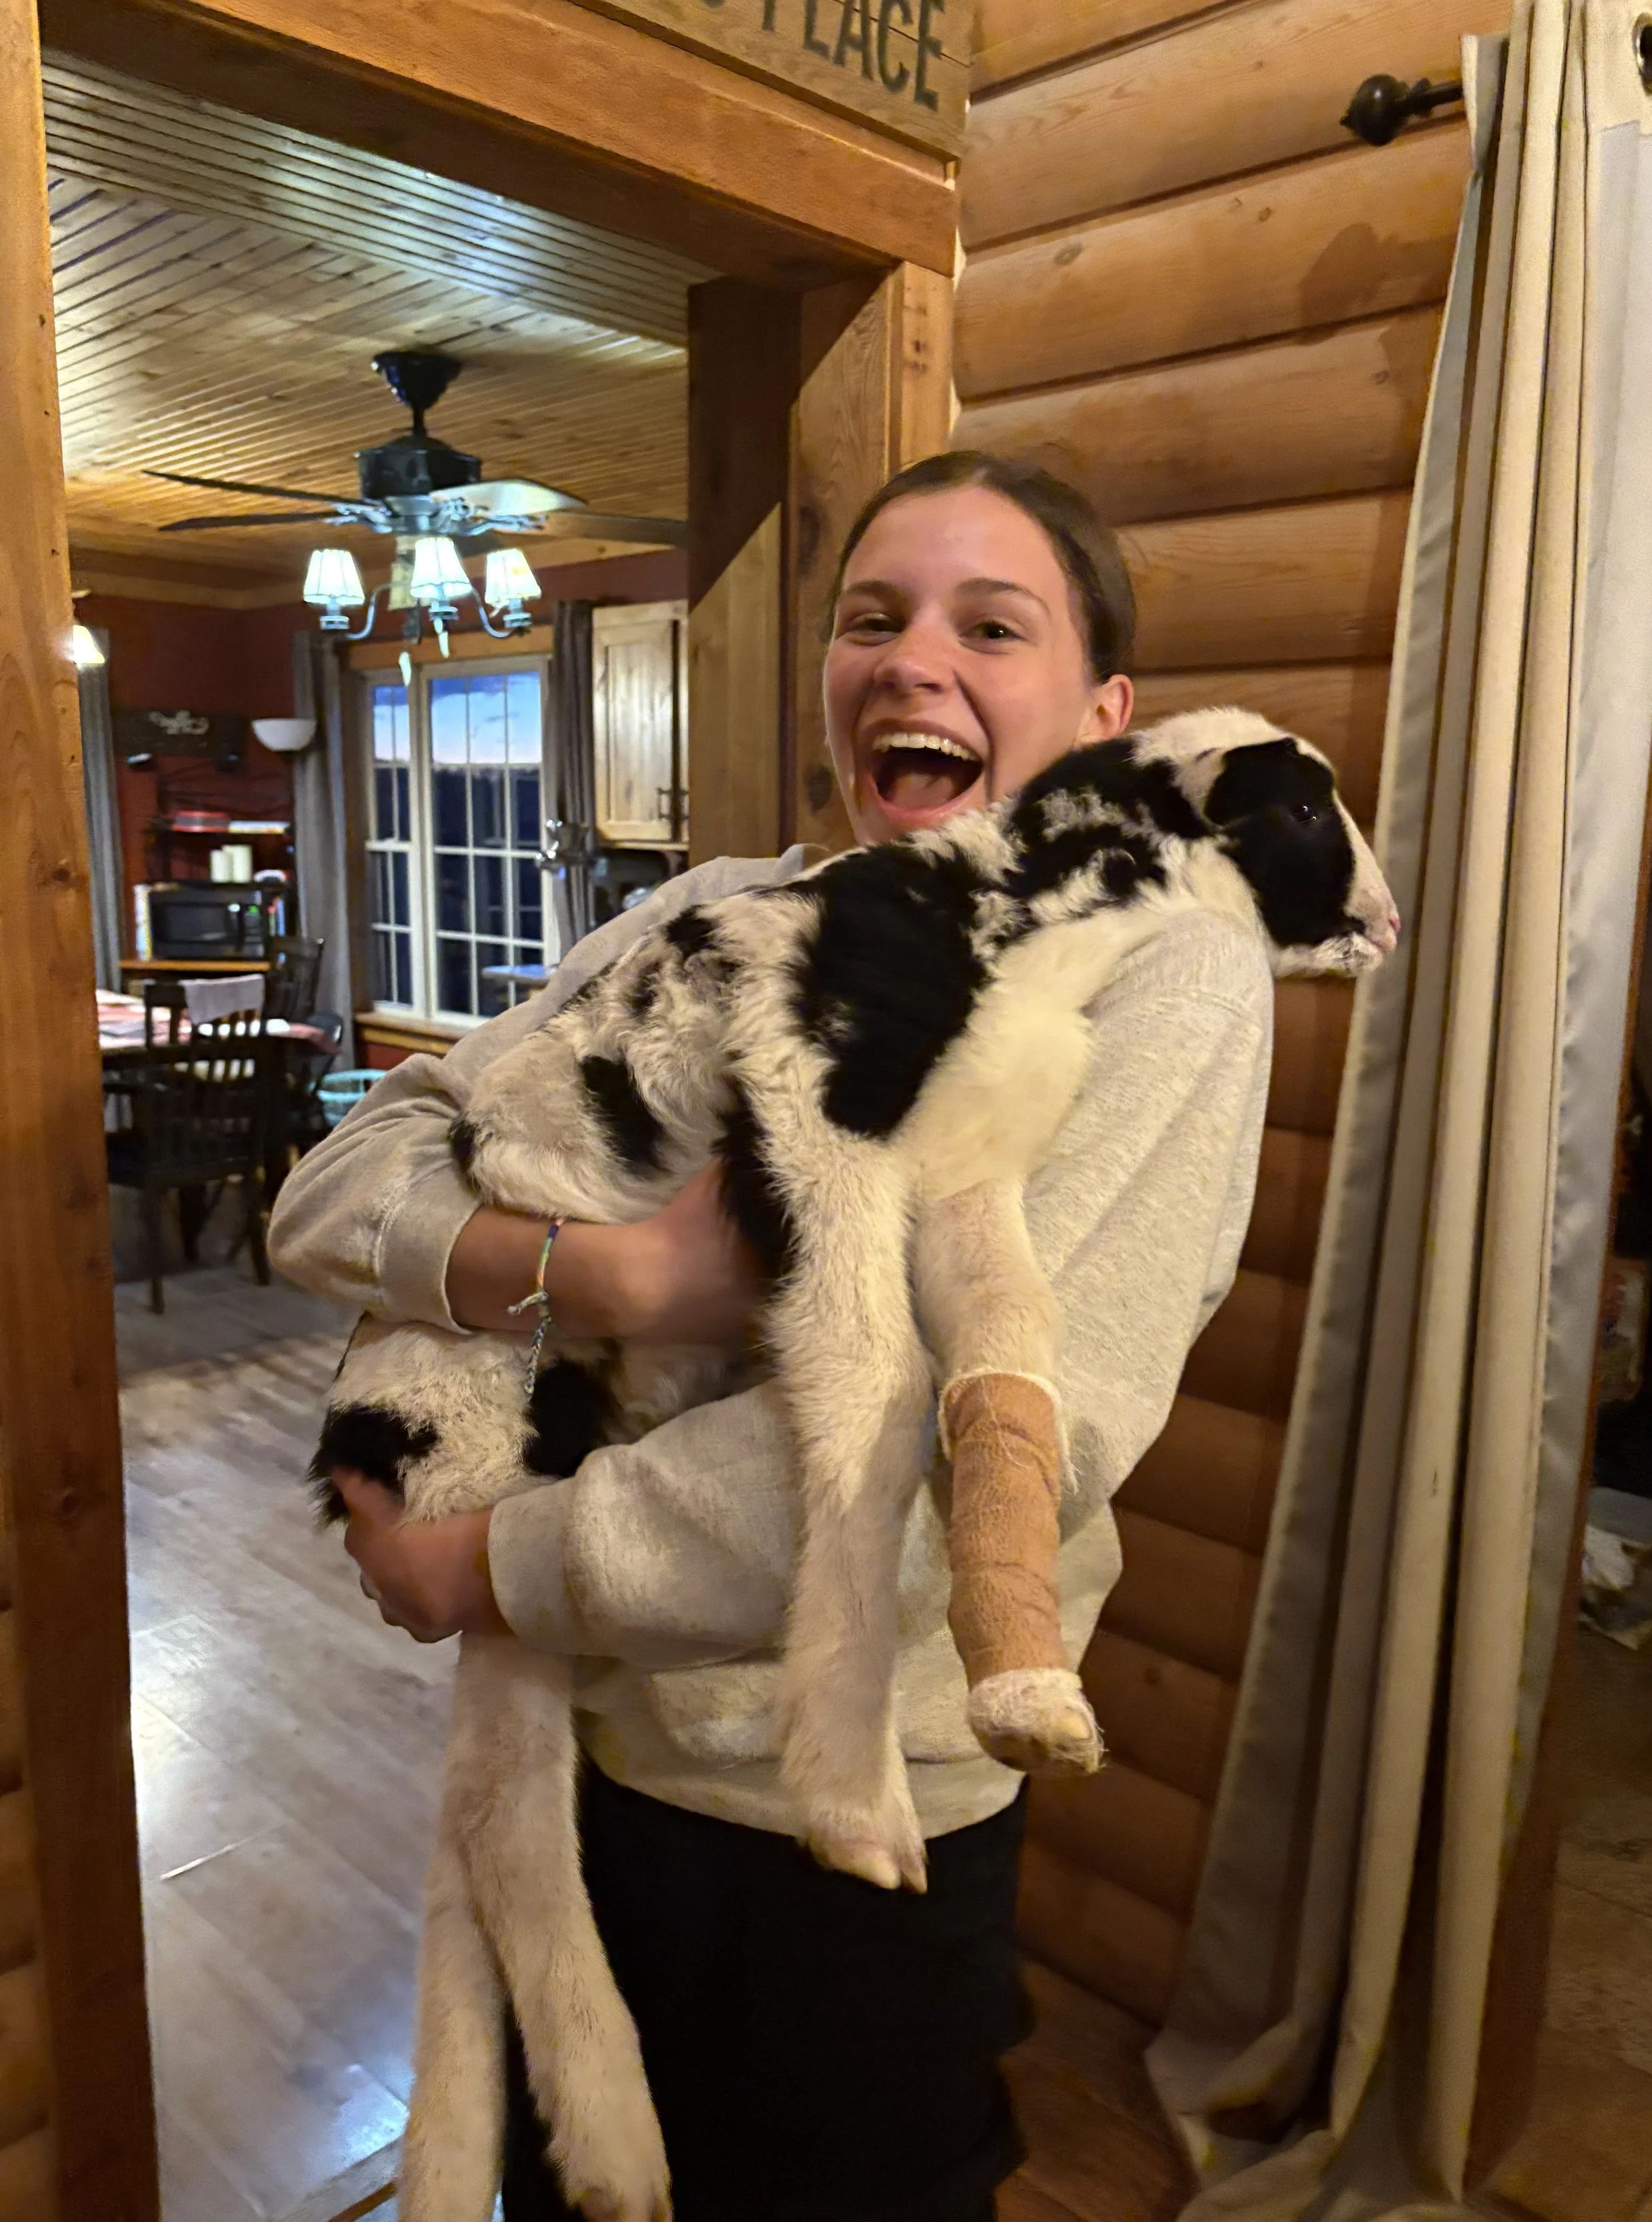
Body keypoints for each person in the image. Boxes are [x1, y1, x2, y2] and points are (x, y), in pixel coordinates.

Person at [268, 450, 1276, 2222]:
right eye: (870, 618)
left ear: (1106, 716)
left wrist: (478, 1565)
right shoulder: (707, 902)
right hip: (575, 1755)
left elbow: (951, 1467)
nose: (909, 658)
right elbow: (335, 1183)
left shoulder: (1156, 970)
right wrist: (625, 1280)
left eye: (989, 623)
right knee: (560, 2186)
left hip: (834, 1814)